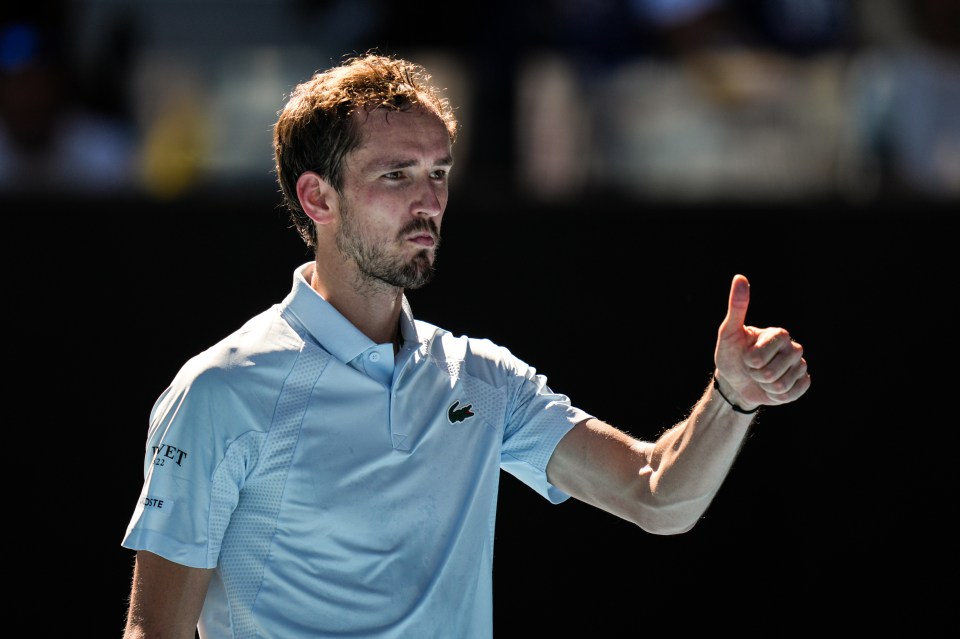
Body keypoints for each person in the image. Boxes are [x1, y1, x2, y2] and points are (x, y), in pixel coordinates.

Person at [120, 52, 810, 639]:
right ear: (317, 198)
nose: (428, 201)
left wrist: (731, 399)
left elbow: (657, 495)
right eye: (395, 174)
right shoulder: (221, 389)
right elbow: (153, 629)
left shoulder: (481, 378)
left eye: (439, 172)